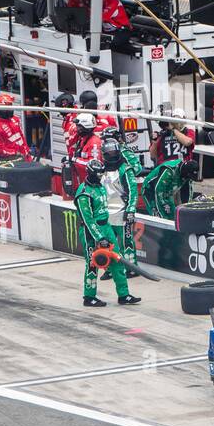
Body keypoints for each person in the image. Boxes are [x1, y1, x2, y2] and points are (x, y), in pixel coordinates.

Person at [73, 158, 140, 307]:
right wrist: (99, 237)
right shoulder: (84, 193)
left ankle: (124, 295)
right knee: (92, 264)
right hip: (90, 232)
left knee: (117, 259)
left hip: (107, 227)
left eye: (101, 174)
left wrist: (106, 233)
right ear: (90, 173)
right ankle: (89, 297)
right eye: (98, 174)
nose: (100, 177)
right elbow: (88, 220)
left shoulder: (100, 186)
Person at [103, 128, 141, 274]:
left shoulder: (126, 169)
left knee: (127, 243)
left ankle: (132, 268)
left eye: (113, 151)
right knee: (108, 243)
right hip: (106, 214)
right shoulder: (102, 169)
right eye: (108, 152)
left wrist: (131, 209)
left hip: (122, 212)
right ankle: (110, 269)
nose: (111, 154)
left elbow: (132, 191)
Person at [0, 92, 32, 159]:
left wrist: (27, 150)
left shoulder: (15, 119)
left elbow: (21, 137)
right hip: (11, 163)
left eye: (11, 106)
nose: (10, 109)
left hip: (26, 158)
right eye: (8, 107)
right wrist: (16, 153)